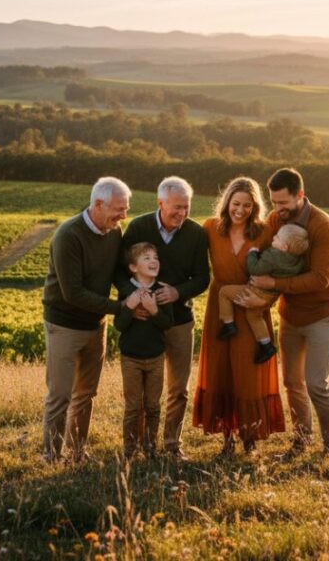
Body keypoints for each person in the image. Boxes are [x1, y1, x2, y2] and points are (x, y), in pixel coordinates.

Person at [238, 168, 329, 456]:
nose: (277, 209)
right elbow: (260, 248)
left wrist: (274, 284)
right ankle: (301, 442)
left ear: (300, 195)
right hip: (291, 313)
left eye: (283, 202)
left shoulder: (322, 225)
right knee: (292, 383)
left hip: (322, 312)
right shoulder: (276, 219)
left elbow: (320, 279)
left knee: (316, 384)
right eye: (273, 202)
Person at [116, 176, 209, 460]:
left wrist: (177, 292)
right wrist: (133, 299)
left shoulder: (195, 233)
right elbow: (120, 270)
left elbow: (203, 278)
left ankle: (171, 444)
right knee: (144, 394)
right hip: (143, 321)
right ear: (161, 203)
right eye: (176, 207)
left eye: (186, 206)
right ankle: (138, 445)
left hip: (179, 320)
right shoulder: (138, 227)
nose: (182, 213)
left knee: (178, 388)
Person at [192, 177, 285, 456]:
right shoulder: (210, 228)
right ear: (226, 202)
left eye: (247, 205)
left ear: (254, 207)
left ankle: (250, 436)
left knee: (248, 371)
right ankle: (227, 437)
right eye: (236, 204)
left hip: (250, 307)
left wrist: (267, 300)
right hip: (220, 310)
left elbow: (278, 272)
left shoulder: (264, 233)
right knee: (221, 371)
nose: (240, 210)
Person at [41, 176, 131, 463]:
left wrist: (136, 294)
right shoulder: (68, 235)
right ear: (99, 204)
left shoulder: (114, 232)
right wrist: (121, 307)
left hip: (96, 324)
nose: (123, 216)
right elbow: (73, 293)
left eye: (126, 209)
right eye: (119, 209)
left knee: (86, 393)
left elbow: (117, 272)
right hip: (64, 324)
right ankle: (51, 456)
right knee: (60, 395)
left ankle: (77, 452)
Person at [216, 223, 309, 364]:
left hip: (255, 291)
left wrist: (252, 254)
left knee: (224, 292)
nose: (274, 237)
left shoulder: (273, 256)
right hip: (270, 296)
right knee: (254, 316)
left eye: (277, 237)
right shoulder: (298, 262)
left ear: (284, 247)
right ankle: (266, 345)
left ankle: (228, 324)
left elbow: (255, 268)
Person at [114, 242, 174, 459]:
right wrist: (129, 307)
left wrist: (153, 309)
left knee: (153, 406)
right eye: (146, 258)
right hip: (131, 358)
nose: (153, 261)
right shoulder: (126, 291)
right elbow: (119, 325)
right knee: (133, 407)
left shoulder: (162, 291)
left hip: (156, 357)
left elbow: (167, 323)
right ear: (133, 267)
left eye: (155, 257)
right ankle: (130, 450)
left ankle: (150, 448)